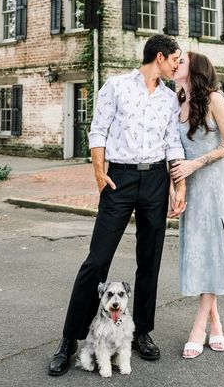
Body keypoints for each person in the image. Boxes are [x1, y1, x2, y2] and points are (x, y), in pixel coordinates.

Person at [48, 34, 187, 376]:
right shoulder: (116, 86)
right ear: (159, 56)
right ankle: (70, 339)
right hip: (120, 179)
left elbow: (172, 144)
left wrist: (177, 186)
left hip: (155, 180)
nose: (177, 65)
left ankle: (141, 332)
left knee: (150, 259)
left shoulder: (169, 100)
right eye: (175, 59)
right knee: (96, 261)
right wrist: (99, 173)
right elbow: (98, 131)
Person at [170, 51, 224, 359]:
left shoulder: (214, 99)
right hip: (192, 189)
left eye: (180, 61)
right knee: (204, 253)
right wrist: (175, 186)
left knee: (215, 252)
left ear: (195, 68)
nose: (174, 63)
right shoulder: (175, 101)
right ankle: (216, 322)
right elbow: (173, 150)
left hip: (217, 185)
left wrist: (197, 163)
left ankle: (198, 327)